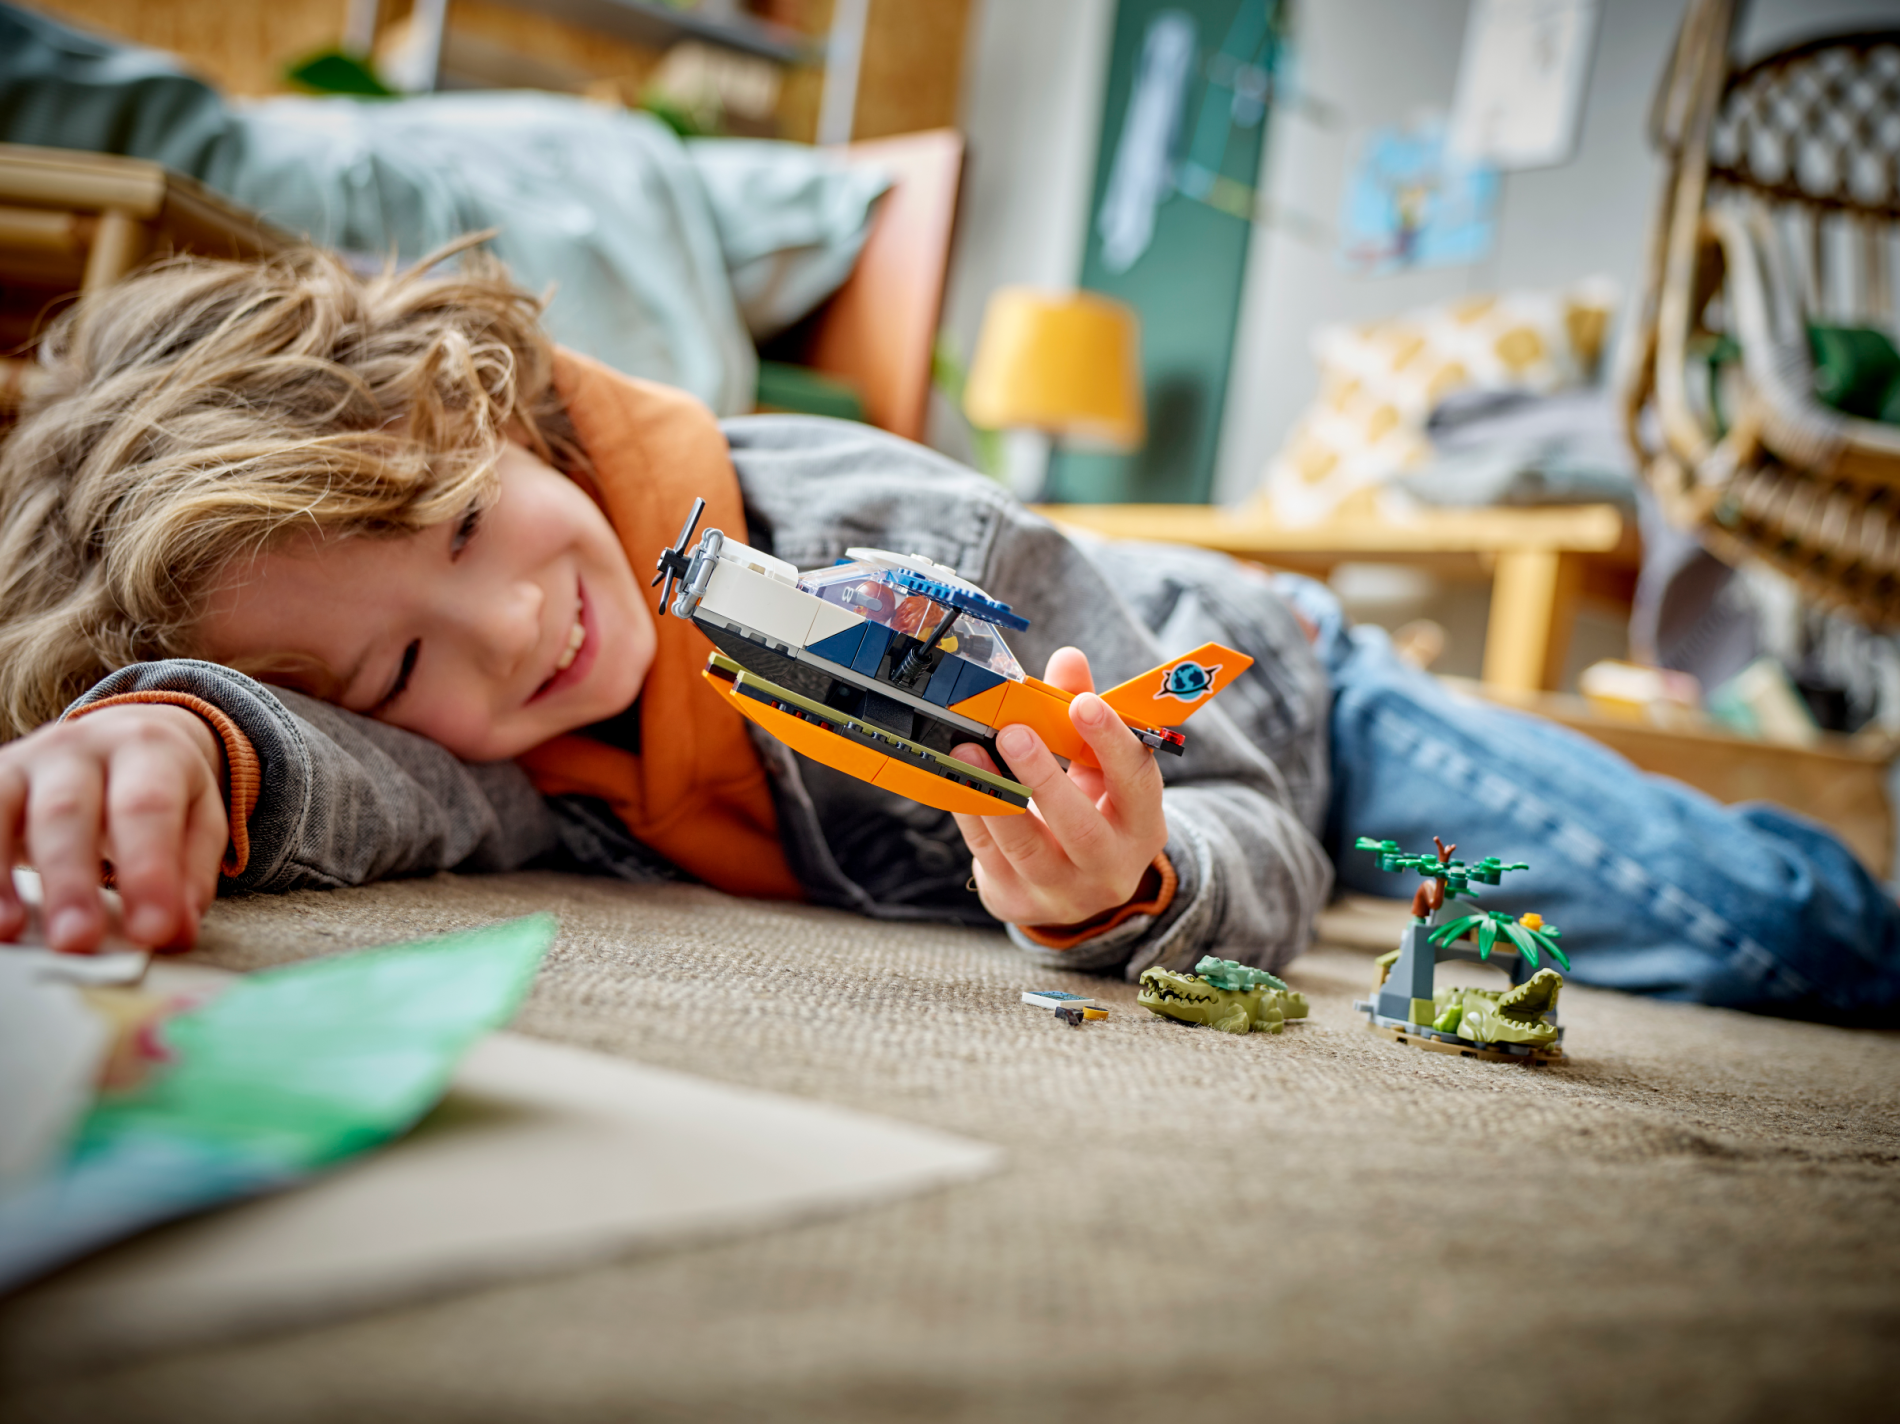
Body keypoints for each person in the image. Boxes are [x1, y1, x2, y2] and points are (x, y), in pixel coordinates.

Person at [1, 247, 1894, 1026]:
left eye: (471, 525)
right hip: (1149, 781)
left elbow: (1259, 825)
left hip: (1294, 712)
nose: (512, 630)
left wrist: (1131, 890)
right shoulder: (506, 742)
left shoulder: (897, 537)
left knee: (1757, 933)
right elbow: (381, 786)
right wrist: (187, 734)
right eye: (405, 669)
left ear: (493, 403)